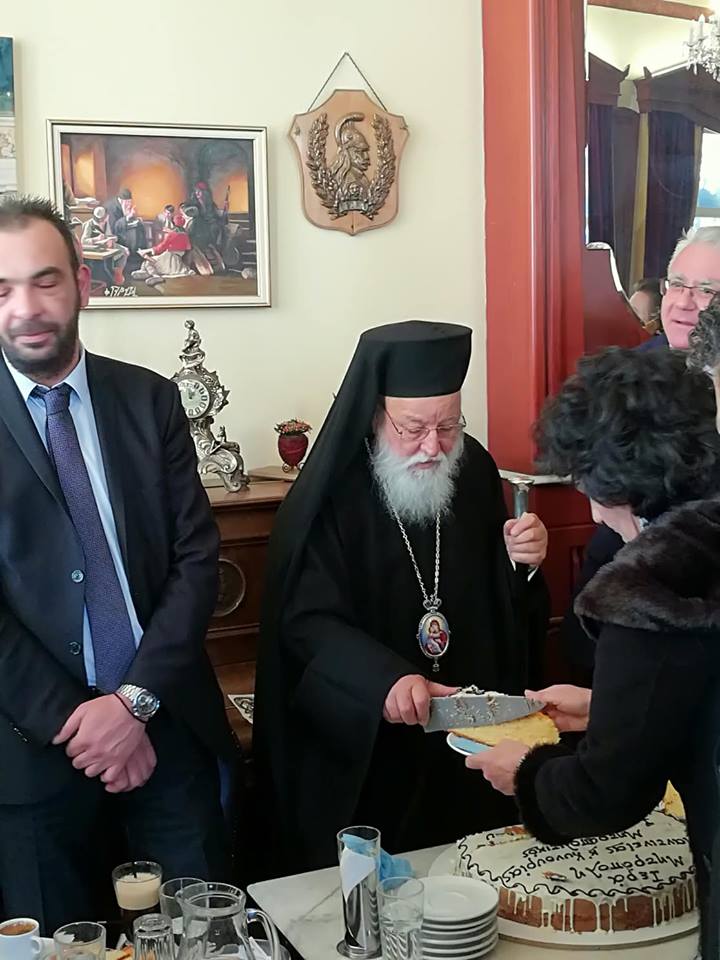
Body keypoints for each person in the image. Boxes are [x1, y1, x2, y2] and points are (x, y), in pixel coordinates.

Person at [0, 195, 234, 933]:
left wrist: (132, 703)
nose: (25, 309)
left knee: (202, 936)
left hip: (165, 723)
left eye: (45, 281)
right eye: (2, 290)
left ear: (83, 284)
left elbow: (197, 560)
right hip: (31, 752)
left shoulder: (149, 399)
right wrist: (81, 721)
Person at [254, 320, 550, 874]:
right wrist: (383, 679)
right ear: (375, 414)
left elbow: (500, 605)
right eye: (413, 428)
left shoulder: (474, 471)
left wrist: (523, 564)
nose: (433, 447)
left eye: (448, 425)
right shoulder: (333, 492)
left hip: (462, 735)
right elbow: (306, 619)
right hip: (371, 740)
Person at [467, 346, 720, 960]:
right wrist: (604, 702)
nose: (590, 509)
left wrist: (525, 774)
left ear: (616, 482)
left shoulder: (649, 589)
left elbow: (607, 792)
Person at [560, 225, 720, 678]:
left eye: (706, 291)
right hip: (613, 565)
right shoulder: (634, 368)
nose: (684, 302)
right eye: (678, 284)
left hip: (691, 596)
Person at [132, 215, 195, 288]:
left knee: (148, 262)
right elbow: (188, 248)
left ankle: (156, 276)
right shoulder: (185, 236)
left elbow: (160, 248)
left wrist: (145, 251)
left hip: (169, 257)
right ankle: (145, 273)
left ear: (173, 224)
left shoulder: (171, 235)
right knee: (151, 262)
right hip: (178, 259)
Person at [80, 205, 129, 286]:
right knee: (108, 258)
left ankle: (118, 272)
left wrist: (112, 239)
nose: (102, 221)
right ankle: (112, 276)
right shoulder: (89, 224)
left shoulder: (106, 223)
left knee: (125, 251)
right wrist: (96, 239)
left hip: (106, 245)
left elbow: (109, 235)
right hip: (95, 248)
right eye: (100, 220)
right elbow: (83, 241)